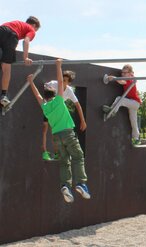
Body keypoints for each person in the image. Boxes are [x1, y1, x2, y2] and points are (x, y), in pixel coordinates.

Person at [27, 59, 90, 203]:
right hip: (68, 133)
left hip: (56, 137)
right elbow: (61, 83)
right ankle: (80, 183)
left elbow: (37, 95)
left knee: (64, 161)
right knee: (78, 156)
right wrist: (58, 66)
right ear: (55, 94)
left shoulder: (45, 106)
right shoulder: (59, 101)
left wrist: (31, 82)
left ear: (46, 97)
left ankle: (65, 186)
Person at [42, 71, 87, 161]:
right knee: (45, 128)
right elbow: (43, 88)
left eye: (65, 80)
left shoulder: (69, 91)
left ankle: (57, 153)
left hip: (57, 114)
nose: (62, 81)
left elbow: (77, 105)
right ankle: (44, 151)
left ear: (69, 83)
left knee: (55, 132)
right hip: (49, 110)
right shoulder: (53, 84)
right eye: (62, 79)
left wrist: (82, 121)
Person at [0, 16, 41, 107]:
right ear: (34, 25)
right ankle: (3, 95)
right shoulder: (31, 29)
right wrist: (25, 57)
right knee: (7, 66)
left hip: (1, 29)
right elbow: (26, 41)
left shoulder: (17, 23)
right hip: (11, 35)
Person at [102, 64, 142, 145]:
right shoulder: (131, 78)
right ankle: (137, 138)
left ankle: (113, 110)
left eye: (125, 73)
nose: (123, 74)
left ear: (130, 73)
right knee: (133, 121)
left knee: (120, 99)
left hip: (135, 103)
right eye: (122, 73)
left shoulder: (129, 79)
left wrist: (113, 78)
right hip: (132, 103)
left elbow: (121, 81)